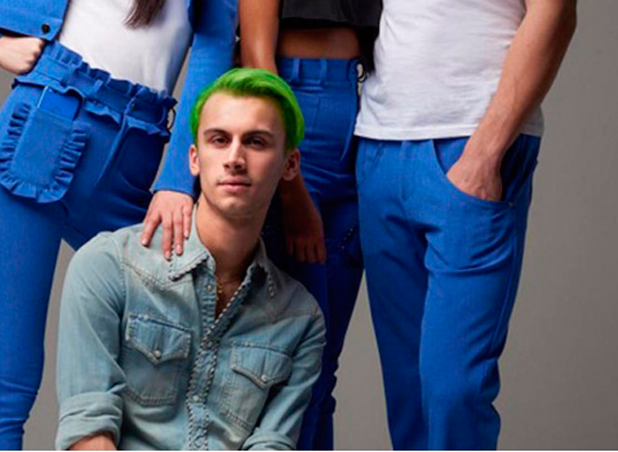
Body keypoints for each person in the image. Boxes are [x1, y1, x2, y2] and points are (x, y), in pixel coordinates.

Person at [0, 0, 237, 448]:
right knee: (5, 385)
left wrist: (176, 180)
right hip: (39, 131)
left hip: (137, 161)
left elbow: (214, 46)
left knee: (184, 364)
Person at [55, 68, 325, 450]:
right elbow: (87, 433)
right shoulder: (108, 266)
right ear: (195, 159)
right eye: (219, 140)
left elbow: (272, 444)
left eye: (256, 142)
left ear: (289, 165)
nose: (235, 158)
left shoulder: (300, 318)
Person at [354, 0, 577, 448]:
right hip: (381, 141)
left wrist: (486, 152)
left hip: (471, 141)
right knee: (409, 390)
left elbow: (555, 12)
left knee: (452, 388)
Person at [238, 0, 380, 448]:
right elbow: (257, 62)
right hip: (291, 111)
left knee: (322, 368)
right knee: (294, 365)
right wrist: (291, 189)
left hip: (362, 122)